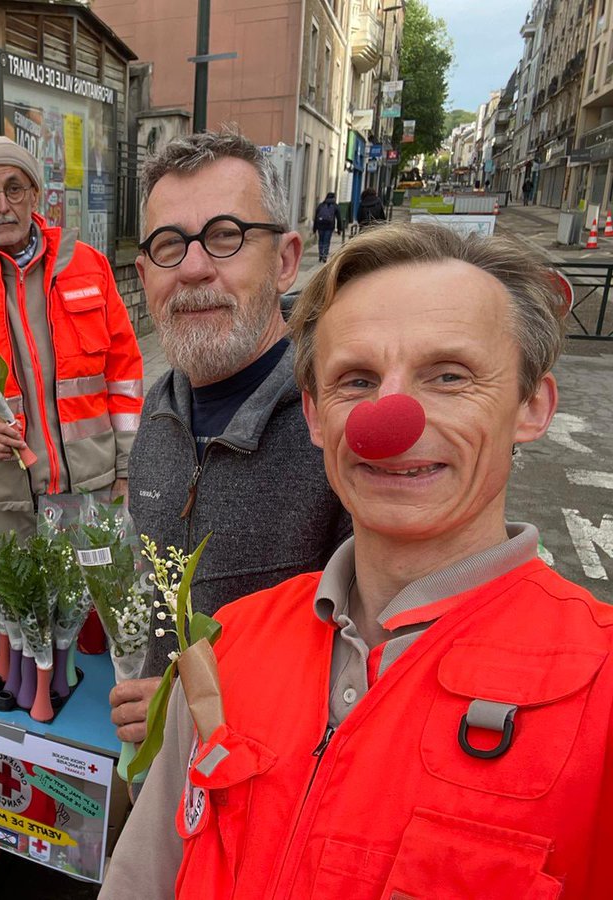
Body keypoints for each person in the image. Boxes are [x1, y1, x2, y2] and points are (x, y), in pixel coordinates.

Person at [100, 222, 613, 899]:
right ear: (315, 417)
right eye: (355, 379)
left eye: (449, 375)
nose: (389, 418)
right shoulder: (233, 642)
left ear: (532, 406)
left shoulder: (601, 696)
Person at [109, 132, 349, 744]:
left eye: (225, 236)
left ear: (287, 259)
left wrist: (198, 706)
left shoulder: (340, 434)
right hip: (162, 777)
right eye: (169, 245)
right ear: (144, 274)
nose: (192, 269)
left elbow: (373, 662)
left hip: (276, 795)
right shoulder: (158, 412)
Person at [0, 136, 144, 536]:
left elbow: (124, 375)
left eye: (14, 188)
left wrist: (127, 469)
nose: (3, 205)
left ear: (34, 195)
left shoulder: (89, 268)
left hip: (93, 488)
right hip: (5, 501)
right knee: (19, 600)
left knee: (97, 598)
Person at [312, 191, 343, 262]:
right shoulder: (335, 206)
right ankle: (325, 255)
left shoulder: (321, 205)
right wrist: (339, 229)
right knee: (327, 241)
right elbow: (339, 218)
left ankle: (320, 255)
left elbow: (316, 217)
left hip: (320, 226)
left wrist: (314, 229)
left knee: (321, 240)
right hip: (329, 226)